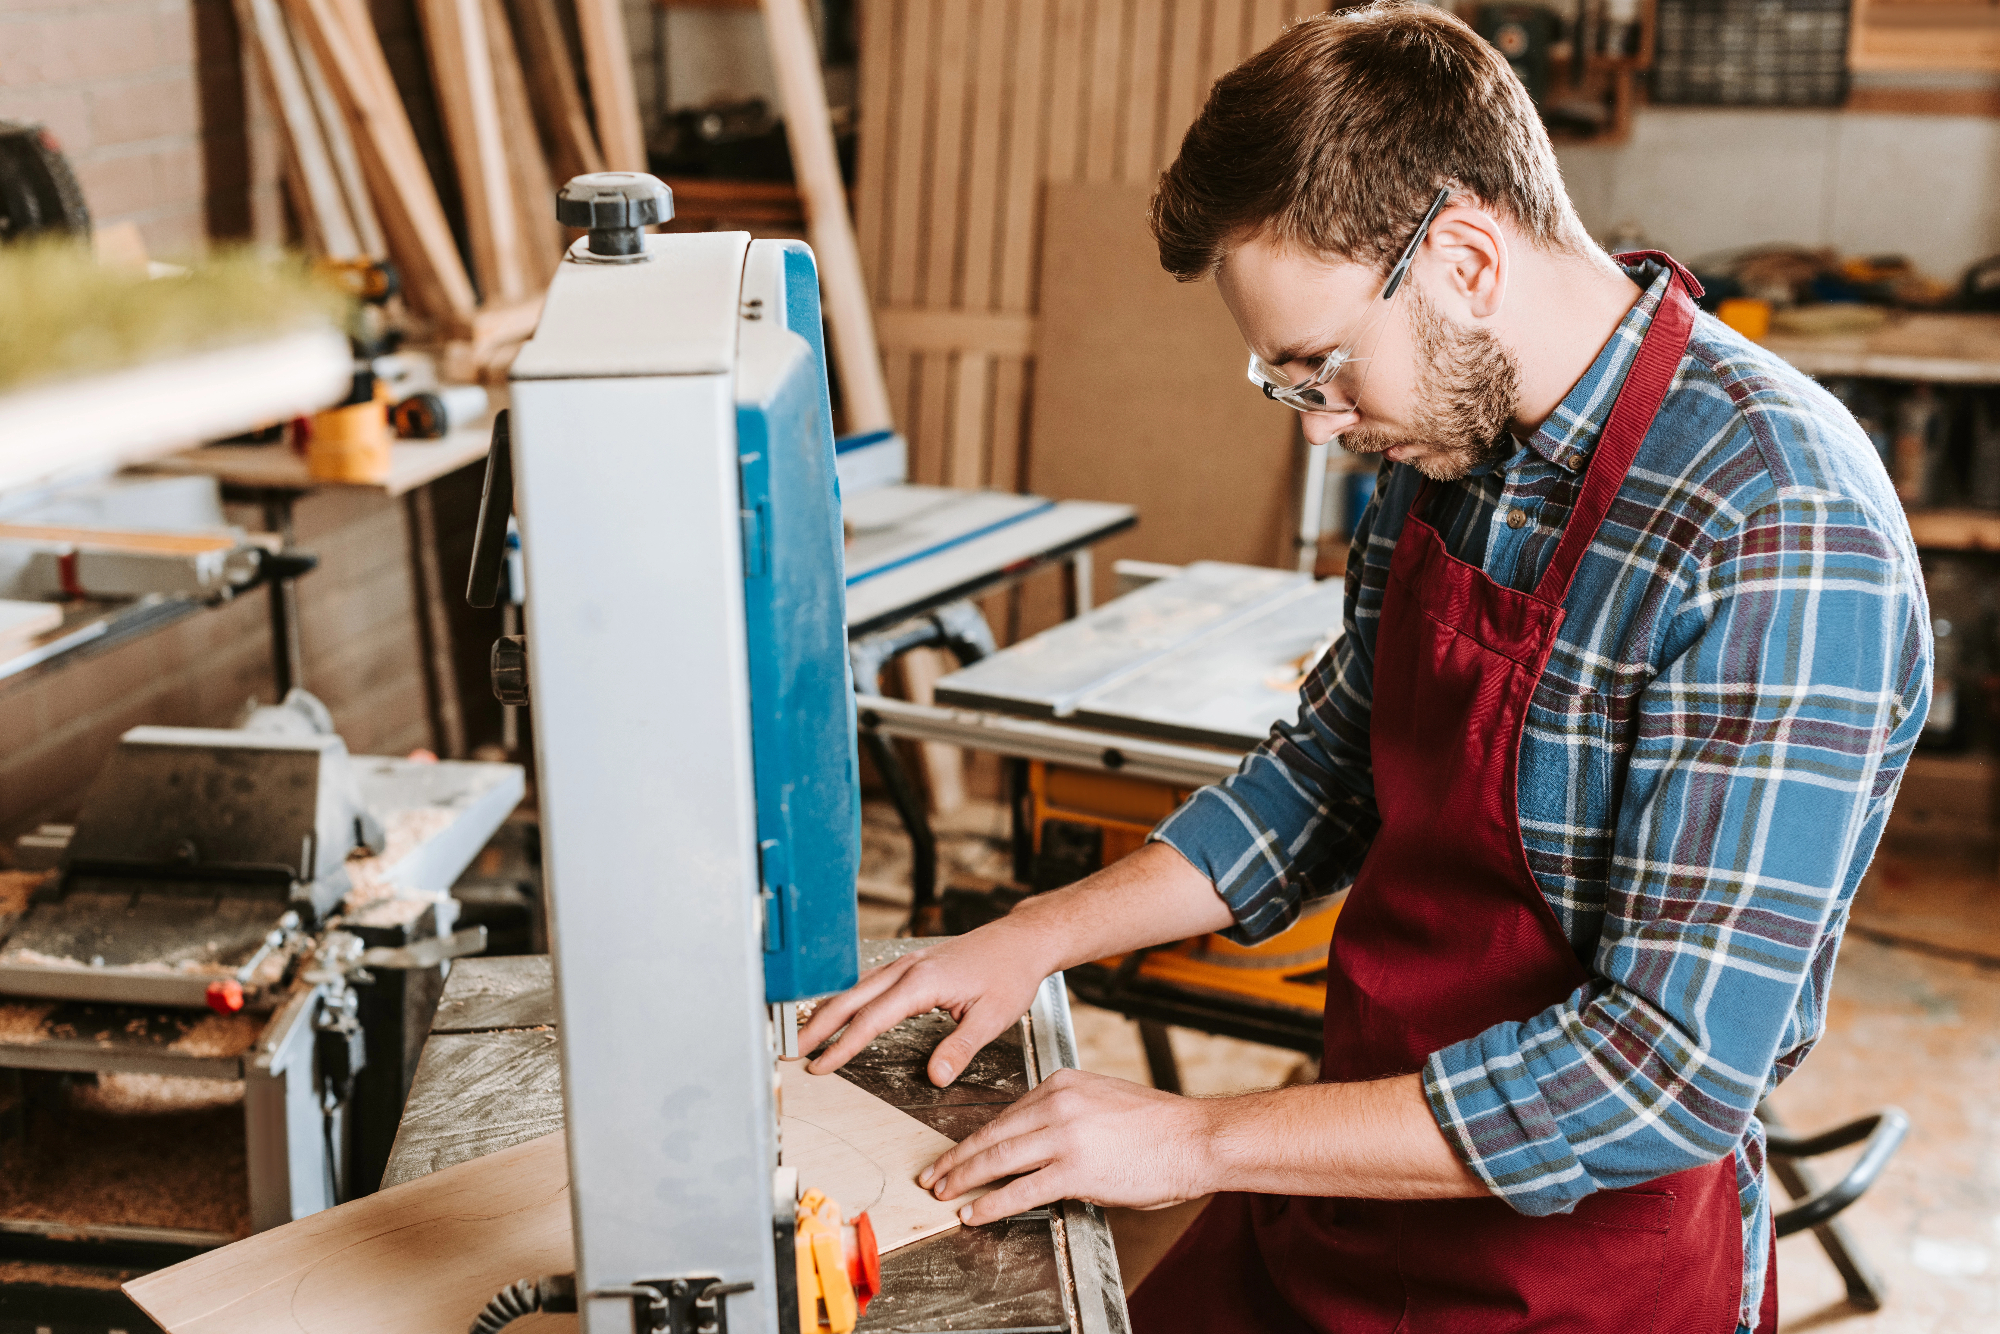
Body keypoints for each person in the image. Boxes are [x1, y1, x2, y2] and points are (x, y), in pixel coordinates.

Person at [797, 4, 1930, 1330]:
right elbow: (1333, 765)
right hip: (1349, 1185)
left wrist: (1197, 1138)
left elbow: (1662, 1071)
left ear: (1463, 257)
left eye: (1323, 367)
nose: (1326, 424)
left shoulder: (1774, 521)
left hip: (1574, 1274)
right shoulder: (1446, 437)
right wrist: (1027, 940)